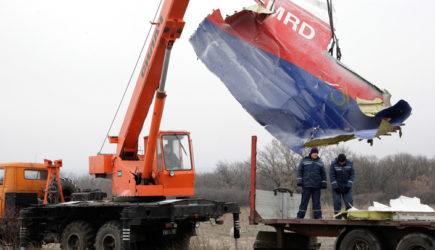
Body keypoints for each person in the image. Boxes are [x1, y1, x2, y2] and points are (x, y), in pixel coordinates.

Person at [296, 148, 327, 219]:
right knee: (304, 202)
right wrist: (299, 181)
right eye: (314, 153)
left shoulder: (320, 162)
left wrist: (324, 182)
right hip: (306, 185)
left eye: (317, 153)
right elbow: (299, 171)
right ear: (311, 153)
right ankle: (300, 217)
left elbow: (323, 174)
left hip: (317, 186)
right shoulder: (304, 160)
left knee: (316, 203)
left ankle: (318, 217)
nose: (316, 154)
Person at [330, 153, 355, 219]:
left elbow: (352, 175)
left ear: (345, 160)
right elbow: (332, 176)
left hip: (347, 187)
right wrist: (335, 187)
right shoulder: (333, 164)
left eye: (343, 162)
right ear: (338, 161)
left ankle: (348, 218)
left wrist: (348, 186)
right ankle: (338, 219)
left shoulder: (350, 164)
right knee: (337, 203)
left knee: (349, 203)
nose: (341, 163)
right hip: (337, 187)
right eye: (340, 162)